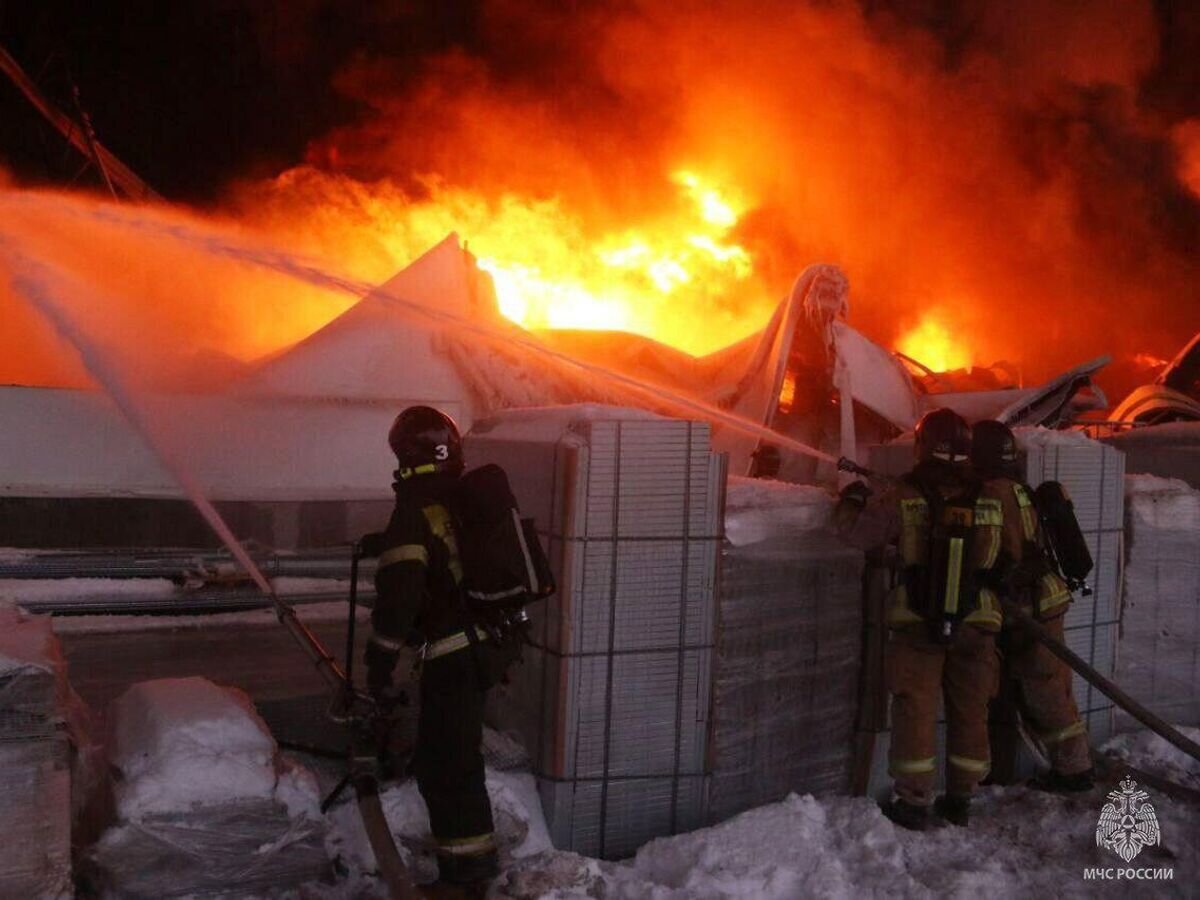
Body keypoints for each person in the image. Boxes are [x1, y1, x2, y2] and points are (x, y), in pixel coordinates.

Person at [835, 408, 1009, 830]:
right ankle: (963, 797)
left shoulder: (905, 495)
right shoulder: (991, 496)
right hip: (978, 620)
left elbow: (857, 533)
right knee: (971, 709)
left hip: (919, 621)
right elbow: (1004, 556)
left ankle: (914, 802)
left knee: (916, 708)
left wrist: (852, 499)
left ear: (923, 447)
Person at [365, 405, 500, 892]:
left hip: (451, 655)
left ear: (404, 453)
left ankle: (467, 877)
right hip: (481, 644)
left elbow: (398, 603)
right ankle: (470, 867)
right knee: (452, 760)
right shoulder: (451, 497)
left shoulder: (412, 510)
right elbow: (444, 554)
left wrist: (377, 665)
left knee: (447, 767)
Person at [970, 419, 1093, 791]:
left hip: (1032, 605)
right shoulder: (1019, 488)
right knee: (1049, 684)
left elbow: (991, 553)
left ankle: (1074, 770)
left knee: (1046, 689)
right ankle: (1073, 763)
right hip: (1043, 598)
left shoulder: (990, 494)